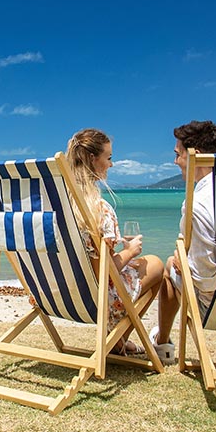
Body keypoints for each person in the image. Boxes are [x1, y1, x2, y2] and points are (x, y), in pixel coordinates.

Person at [148, 120, 216, 365]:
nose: (176, 162)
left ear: (195, 155)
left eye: (178, 155)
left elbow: (204, 277)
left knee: (170, 265)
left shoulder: (198, 202)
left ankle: (163, 342)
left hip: (215, 307)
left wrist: (181, 261)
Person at [66, 128, 166, 356]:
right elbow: (104, 273)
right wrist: (130, 251)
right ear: (93, 159)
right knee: (155, 264)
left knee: (142, 264)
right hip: (97, 301)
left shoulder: (59, 208)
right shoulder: (97, 210)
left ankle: (119, 341)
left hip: (61, 294)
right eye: (108, 158)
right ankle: (119, 340)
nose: (111, 165)